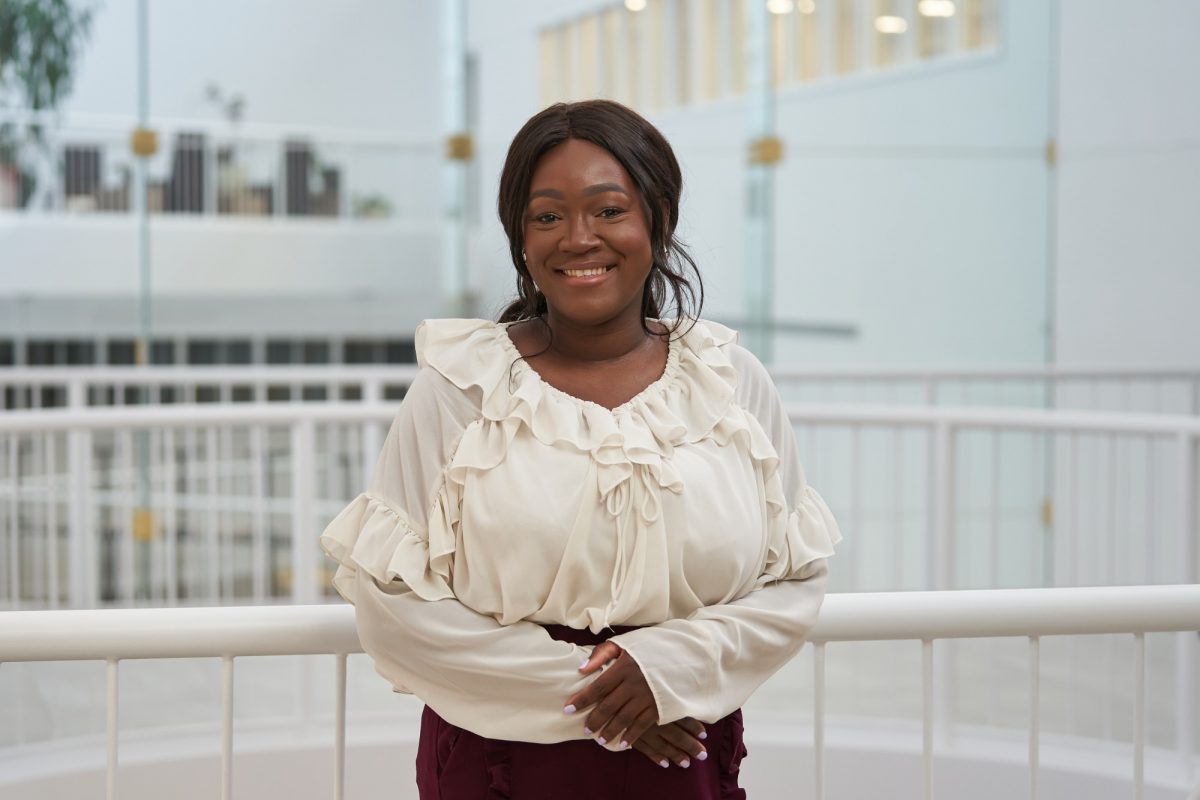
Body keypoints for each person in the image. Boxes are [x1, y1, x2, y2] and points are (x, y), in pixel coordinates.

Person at [319, 99, 841, 799]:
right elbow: (394, 607)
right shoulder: (459, 390)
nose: (578, 238)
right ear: (521, 239)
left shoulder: (731, 381)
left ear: (656, 218)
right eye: (547, 216)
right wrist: (608, 693)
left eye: (607, 210)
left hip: (679, 756)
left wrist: (667, 669)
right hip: (503, 758)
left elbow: (793, 581)